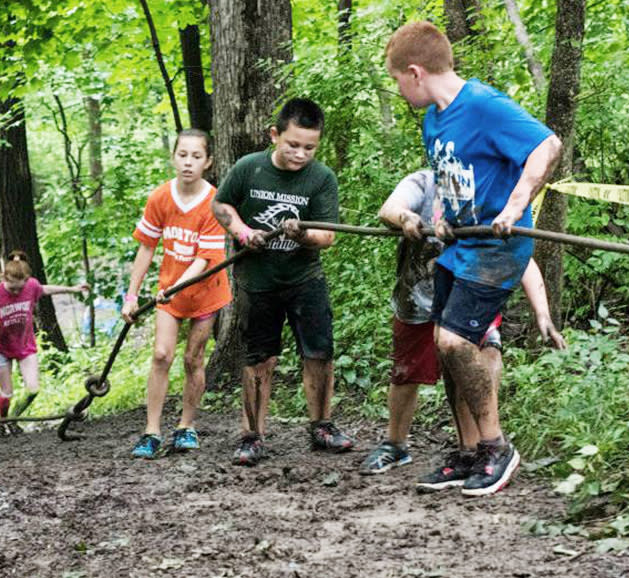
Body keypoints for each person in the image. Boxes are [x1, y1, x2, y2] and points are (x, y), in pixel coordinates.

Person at [385, 21, 563, 496]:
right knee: (451, 350)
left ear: (416, 72)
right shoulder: (433, 119)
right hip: (457, 246)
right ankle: (467, 452)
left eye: (397, 79)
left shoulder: (483, 105)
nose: (398, 88)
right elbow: (452, 179)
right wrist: (442, 216)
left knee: (453, 342)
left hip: (497, 247)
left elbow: (548, 144)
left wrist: (514, 205)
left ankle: (496, 448)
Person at [360, 170, 566, 477]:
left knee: (473, 362)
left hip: (472, 297)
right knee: (407, 371)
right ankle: (395, 444)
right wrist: (406, 217)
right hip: (419, 296)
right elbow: (389, 208)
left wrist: (543, 314)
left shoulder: (494, 193)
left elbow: (523, 258)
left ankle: (474, 450)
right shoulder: (424, 182)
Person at [211, 97, 354, 467]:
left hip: (304, 278)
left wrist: (303, 233)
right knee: (259, 358)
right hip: (257, 281)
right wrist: (243, 232)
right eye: (292, 144)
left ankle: (321, 426)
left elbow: (328, 236)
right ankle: (252, 434)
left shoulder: (321, 178)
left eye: (309, 147)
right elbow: (222, 205)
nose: (300, 154)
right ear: (275, 135)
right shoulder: (249, 168)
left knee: (319, 353)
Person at [121, 129, 231, 459]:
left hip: (205, 294)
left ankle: (185, 426)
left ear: (208, 161)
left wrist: (175, 287)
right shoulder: (159, 198)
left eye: (196, 156)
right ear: (173, 157)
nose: (188, 162)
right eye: (183, 155)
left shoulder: (214, 202)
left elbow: (205, 258)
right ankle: (151, 431)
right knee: (160, 355)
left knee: (192, 359)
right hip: (167, 295)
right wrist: (132, 295)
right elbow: (146, 249)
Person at [0, 253, 89, 436]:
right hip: (2, 348)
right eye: (12, 289)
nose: (16, 293)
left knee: (33, 389)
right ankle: (2, 423)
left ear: (27, 280)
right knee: (6, 393)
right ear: (4, 278)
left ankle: (14, 419)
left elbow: (46, 289)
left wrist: (73, 289)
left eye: (19, 289)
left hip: (25, 346)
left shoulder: (31, 286)